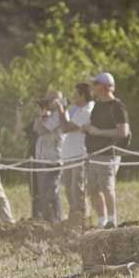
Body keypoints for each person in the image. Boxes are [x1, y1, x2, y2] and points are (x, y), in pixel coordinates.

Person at [83, 72, 131, 229]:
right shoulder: (97, 105)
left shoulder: (117, 106)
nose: (93, 88)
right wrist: (88, 129)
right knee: (92, 188)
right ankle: (102, 219)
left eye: (95, 84)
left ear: (104, 87)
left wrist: (98, 132)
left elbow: (123, 131)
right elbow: (94, 126)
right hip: (93, 153)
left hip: (108, 154)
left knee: (106, 187)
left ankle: (112, 219)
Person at [57, 82, 94, 222]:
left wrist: (61, 109)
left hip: (79, 154)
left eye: (75, 94)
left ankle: (82, 219)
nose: (72, 97)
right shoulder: (78, 110)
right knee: (69, 189)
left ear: (83, 95)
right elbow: (67, 125)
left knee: (77, 190)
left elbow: (65, 128)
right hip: (69, 155)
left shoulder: (87, 111)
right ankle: (74, 217)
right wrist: (65, 110)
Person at [32, 90, 65, 222]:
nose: (49, 102)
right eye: (47, 99)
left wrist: (43, 116)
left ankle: (57, 220)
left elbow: (42, 129)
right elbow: (36, 129)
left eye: (51, 99)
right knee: (43, 193)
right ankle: (48, 219)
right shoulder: (48, 115)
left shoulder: (59, 115)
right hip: (42, 158)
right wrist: (42, 114)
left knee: (52, 192)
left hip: (54, 159)